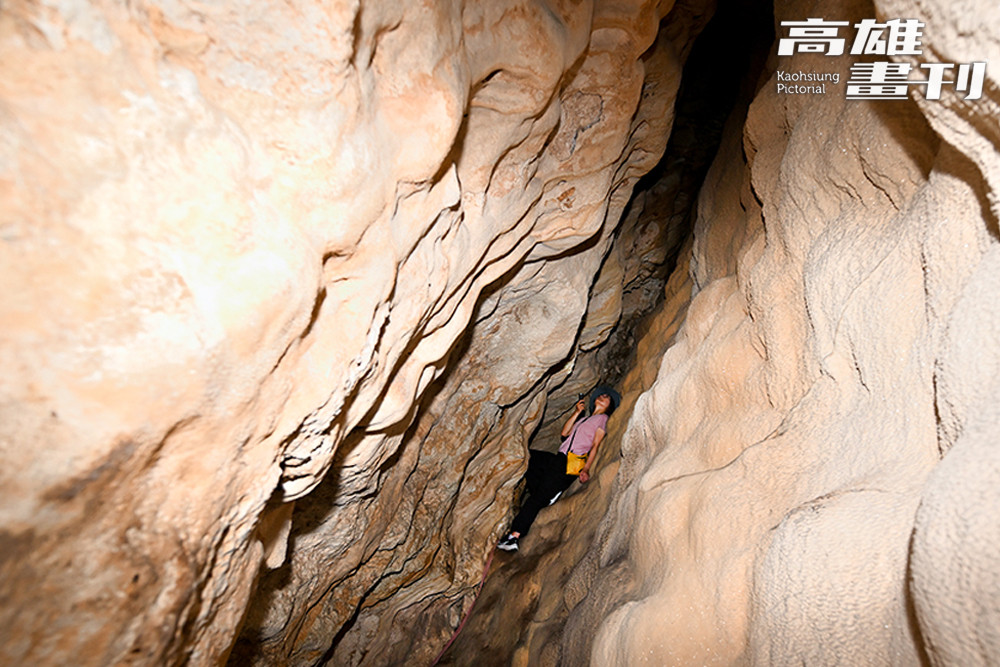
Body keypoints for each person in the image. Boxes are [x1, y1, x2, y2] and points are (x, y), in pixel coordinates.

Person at [497, 385, 621, 553]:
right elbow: (564, 433)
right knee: (529, 457)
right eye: (601, 395)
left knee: (536, 499)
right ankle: (544, 494)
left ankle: (514, 536)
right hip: (559, 457)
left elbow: (595, 445)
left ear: (610, 405)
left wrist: (586, 469)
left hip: (570, 462)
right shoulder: (584, 419)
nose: (602, 396)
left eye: (607, 397)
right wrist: (577, 412)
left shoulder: (602, 419)